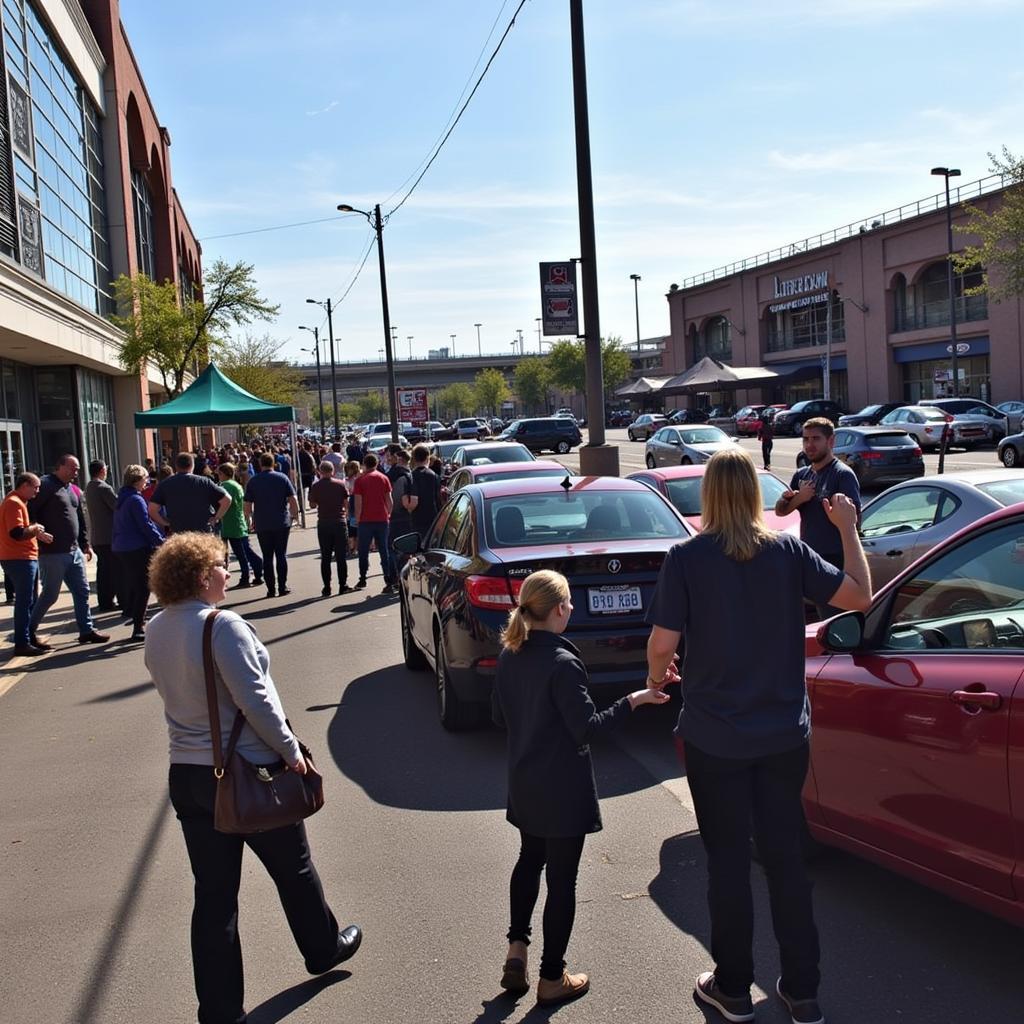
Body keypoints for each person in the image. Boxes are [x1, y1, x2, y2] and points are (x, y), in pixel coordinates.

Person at [645, 447, 871, 1024]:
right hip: (782, 738)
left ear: (709, 497)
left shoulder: (686, 557)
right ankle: (802, 991)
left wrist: (657, 676)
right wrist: (848, 530)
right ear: (754, 495)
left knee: (726, 862)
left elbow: (663, 643)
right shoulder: (790, 552)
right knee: (785, 861)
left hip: (715, 737)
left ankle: (733, 987)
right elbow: (858, 597)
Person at [145, 532, 362, 1024]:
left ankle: (220, 1011)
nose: (227, 572)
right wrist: (292, 753)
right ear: (203, 577)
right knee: (295, 868)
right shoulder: (222, 626)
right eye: (221, 566)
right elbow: (256, 701)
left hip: (189, 773)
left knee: (215, 896)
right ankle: (323, 948)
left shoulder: (157, 628)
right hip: (249, 770)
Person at [492, 570, 673, 1006]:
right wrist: (635, 700)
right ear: (558, 609)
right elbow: (586, 729)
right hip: (562, 787)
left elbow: (500, 719)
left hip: (525, 779)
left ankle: (517, 948)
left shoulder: (510, 653)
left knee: (528, 859)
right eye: (569, 603)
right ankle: (552, 977)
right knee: (562, 880)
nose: (572, 609)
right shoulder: (564, 663)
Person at [774, 417, 862, 618]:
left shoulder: (842, 475)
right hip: (809, 559)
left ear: (830, 441)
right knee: (810, 619)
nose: (809, 445)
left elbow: (854, 518)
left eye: (816, 439)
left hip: (834, 561)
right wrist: (800, 498)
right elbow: (781, 509)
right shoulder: (801, 475)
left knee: (834, 619)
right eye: (805, 439)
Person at [28, 454, 109, 646]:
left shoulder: (71, 489)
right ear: (60, 466)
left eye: (78, 468)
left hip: (74, 551)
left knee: (82, 591)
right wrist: (36, 531)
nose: (77, 472)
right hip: (53, 552)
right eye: (73, 468)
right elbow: (29, 510)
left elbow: (79, 517)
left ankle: (86, 630)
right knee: (50, 594)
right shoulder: (46, 485)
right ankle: (28, 631)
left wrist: (85, 543)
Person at [1, 472, 52, 655]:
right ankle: (22, 642)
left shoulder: (17, 502)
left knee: (30, 600)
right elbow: (16, 533)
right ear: (24, 485)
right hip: (19, 558)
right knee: (25, 601)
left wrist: (35, 532)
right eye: (35, 487)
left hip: (23, 557)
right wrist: (35, 528)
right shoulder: (14, 503)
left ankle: (28, 638)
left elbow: (21, 530)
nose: (37, 491)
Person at [112, 464, 165, 641]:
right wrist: (160, 541)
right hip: (136, 547)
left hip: (122, 546)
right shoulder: (136, 500)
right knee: (143, 586)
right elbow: (145, 525)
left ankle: (135, 617)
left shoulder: (122, 497)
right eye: (145, 479)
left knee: (135, 584)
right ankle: (138, 626)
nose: (147, 482)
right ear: (137, 480)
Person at [244, 452, 299, 598]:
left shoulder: (254, 481)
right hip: (281, 521)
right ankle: (282, 586)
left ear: (260, 464)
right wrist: (295, 515)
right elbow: (292, 498)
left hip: (263, 522)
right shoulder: (282, 478)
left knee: (267, 556)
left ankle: (270, 589)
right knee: (281, 554)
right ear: (273, 463)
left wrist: (248, 519)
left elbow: (247, 503)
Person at [149, 452, 232, 535]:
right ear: (192, 465)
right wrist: (216, 518)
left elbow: (152, 509)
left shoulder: (165, 484)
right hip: (203, 533)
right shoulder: (204, 482)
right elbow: (227, 499)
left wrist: (166, 523)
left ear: (176, 466)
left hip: (178, 534)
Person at [216, 464, 264, 590]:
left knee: (241, 553)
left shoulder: (225, 486)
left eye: (219, 474)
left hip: (230, 523)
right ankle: (257, 569)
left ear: (224, 474)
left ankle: (246, 575)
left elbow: (223, 502)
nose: (218, 476)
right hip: (238, 522)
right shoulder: (236, 485)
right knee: (245, 550)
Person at [308, 460, 352, 597]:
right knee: (341, 556)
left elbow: (312, 505)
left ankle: (327, 587)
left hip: (324, 523)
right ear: (332, 471)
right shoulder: (340, 485)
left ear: (320, 471)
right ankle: (342, 585)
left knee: (325, 557)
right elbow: (346, 504)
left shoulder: (316, 486)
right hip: (339, 522)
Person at [352, 453, 393, 593]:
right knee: (384, 550)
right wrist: (388, 513)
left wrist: (358, 519)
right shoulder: (384, 478)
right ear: (376, 464)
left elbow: (358, 502)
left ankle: (363, 578)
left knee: (363, 550)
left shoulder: (360, 480)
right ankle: (388, 579)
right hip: (382, 519)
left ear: (364, 464)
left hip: (365, 520)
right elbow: (389, 500)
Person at [84, 459, 119, 611]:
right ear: (102, 470)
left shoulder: (89, 487)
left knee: (103, 571)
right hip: (108, 536)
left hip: (98, 536)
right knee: (111, 571)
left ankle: (105, 600)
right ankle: (108, 601)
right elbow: (117, 506)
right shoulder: (104, 488)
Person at [405, 443, 441, 539]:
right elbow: (438, 499)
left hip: (417, 519)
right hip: (433, 517)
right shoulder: (435, 476)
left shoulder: (410, 477)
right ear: (427, 458)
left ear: (414, 459)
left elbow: (413, 502)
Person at [343, 460, 360, 557]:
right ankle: (356, 549)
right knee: (357, 529)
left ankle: (351, 548)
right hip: (357, 502)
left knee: (350, 528)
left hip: (350, 503)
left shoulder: (347, 480)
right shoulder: (359, 479)